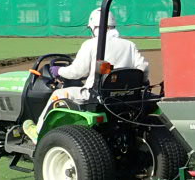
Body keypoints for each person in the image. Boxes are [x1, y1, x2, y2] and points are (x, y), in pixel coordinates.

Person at [23, 8, 150, 141]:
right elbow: (143, 68)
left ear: (94, 27)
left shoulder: (91, 44)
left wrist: (58, 71)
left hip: (96, 96)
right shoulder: (129, 45)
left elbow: (77, 72)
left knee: (57, 94)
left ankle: (38, 133)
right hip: (126, 96)